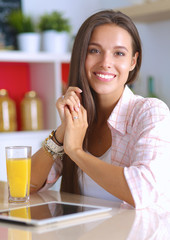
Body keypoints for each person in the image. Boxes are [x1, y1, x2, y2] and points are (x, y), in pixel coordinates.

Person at [30, 10, 170, 209]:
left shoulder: (151, 113)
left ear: (133, 61)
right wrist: (62, 132)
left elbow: (142, 190)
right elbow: (26, 186)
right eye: (94, 50)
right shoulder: (80, 119)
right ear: (81, 56)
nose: (105, 63)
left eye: (119, 53)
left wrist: (77, 152)